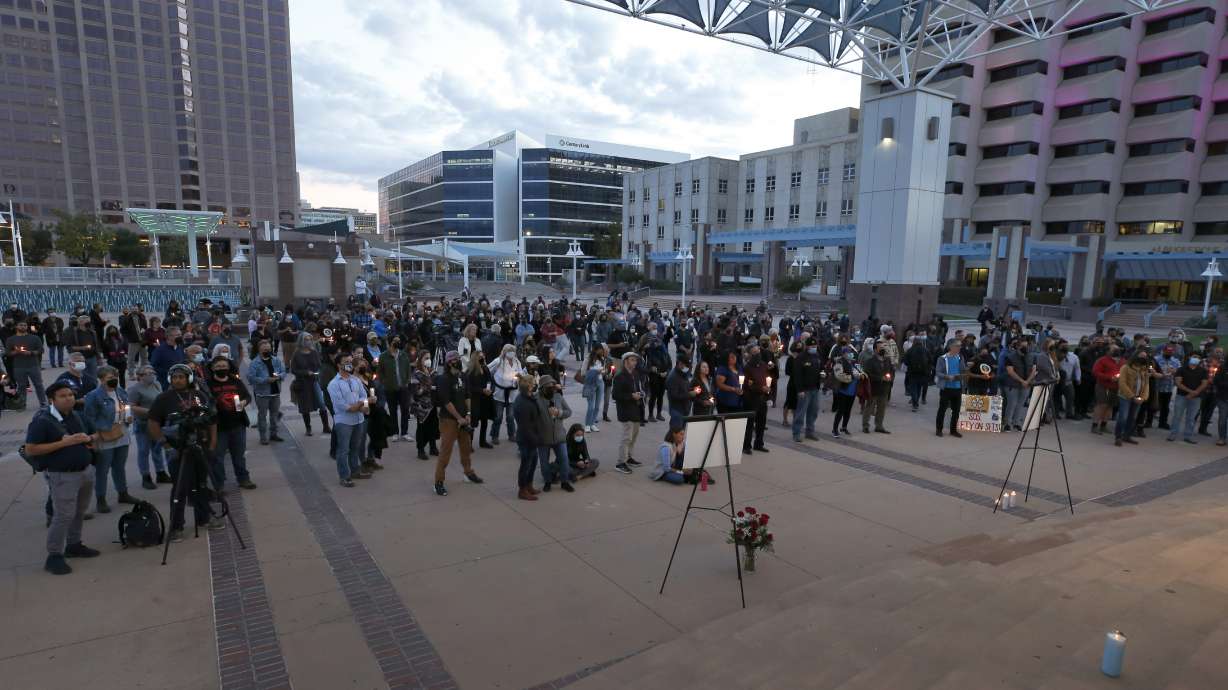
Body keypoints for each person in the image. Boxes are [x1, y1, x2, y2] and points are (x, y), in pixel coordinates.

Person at [25, 382, 103, 575]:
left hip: (85, 471)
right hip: (63, 475)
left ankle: (74, 545)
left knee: (79, 511)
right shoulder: (43, 420)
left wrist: (89, 439)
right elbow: (31, 449)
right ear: (52, 399)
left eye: (70, 394)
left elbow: (96, 433)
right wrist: (63, 443)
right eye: (63, 395)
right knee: (63, 515)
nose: (68, 398)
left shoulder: (76, 415)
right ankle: (54, 556)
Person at [147, 364, 222, 542]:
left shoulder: (199, 395)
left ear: (188, 378)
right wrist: (164, 443)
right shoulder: (164, 398)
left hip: (200, 446)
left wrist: (212, 442)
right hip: (178, 449)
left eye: (181, 377)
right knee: (180, 488)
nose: (178, 380)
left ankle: (204, 518)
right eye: (174, 377)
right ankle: (176, 526)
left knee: (201, 485)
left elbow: (211, 419)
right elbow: (153, 423)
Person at [82, 365, 135, 514]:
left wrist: (129, 417)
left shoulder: (121, 391)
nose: (114, 380)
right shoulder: (94, 396)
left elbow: (127, 406)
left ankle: (123, 493)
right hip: (104, 435)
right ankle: (101, 499)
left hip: (122, 431)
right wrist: (99, 430)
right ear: (101, 379)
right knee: (102, 469)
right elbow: (89, 417)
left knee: (119, 465)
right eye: (110, 378)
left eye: (115, 377)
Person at [432, 350, 484, 496]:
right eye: (455, 359)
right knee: (445, 452)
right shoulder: (444, 379)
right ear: (449, 363)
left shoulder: (463, 376)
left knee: (466, 448)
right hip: (449, 420)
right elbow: (446, 402)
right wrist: (458, 418)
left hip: (463, 419)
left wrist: (467, 414)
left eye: (458, 359)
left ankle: (468, 472)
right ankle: (438, 482)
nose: (458, 361)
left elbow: (467, 395)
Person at [205, 356, 255, 490]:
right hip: (219, 426)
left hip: (237, 423)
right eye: (218, 366)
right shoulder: (208, 384)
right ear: (212, 368)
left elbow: (247, 396)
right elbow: (204, 402)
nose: (222, 368)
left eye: (224, 366)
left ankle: (243, 479)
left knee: (239, 455)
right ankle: (219, 484)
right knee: (217, 457)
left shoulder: (235, 380)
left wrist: (244, 402)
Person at [327, 354, 374, 487]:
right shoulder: (334, 384)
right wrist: (364, 403)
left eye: (350, 362)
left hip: (358, 419)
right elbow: (347, 408)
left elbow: (363, 396)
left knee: (355, 447)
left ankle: (355, 470)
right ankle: (344, 476)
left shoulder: (355, 380)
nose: (349, 364)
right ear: (338, 365)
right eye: (346, 362)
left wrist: (365, 407)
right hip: (344, 422)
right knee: (343, 450)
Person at [128, 364, 169, 490]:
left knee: (157, 449)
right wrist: (149, 411)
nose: (152, 375)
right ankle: (146, 476)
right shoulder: (135, 389)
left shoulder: (156, 384)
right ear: (140, 376)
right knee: (144, 450)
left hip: (157, 422)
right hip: (143, 423)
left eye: (153, 373)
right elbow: (132, 406)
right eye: (148, 373)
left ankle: (160, 472)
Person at [535, 374, 574, 492]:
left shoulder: (558, 397)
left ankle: (565, 481)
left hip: (559, 436)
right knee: (544, 462)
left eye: (553, 386)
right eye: (548, 387)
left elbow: (569, 412)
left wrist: (559, 413)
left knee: (564, 459)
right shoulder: (536, 399)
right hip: (543, 437)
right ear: (542, 388)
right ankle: (547, 481)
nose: (551, 389)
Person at [612, 351, 646, 475]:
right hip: (626, 410)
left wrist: (640, 394)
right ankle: (621, 462)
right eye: (632, 360)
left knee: (634, 436)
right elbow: (615, 395)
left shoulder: (635, 374)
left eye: (635, 360)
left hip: (636, 409)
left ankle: (629, 457)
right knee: (627, 437)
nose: (635, 362)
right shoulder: (620, 376)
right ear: (625, 361)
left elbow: (639, 388)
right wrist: (631, 396)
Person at [246, 339, 286, 444]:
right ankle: (263, 437)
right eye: (264, 349)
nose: (267, 350)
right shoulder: (255, 363)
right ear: (259, 350)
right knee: (262, 416)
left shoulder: (276, 360)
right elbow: (251, 378)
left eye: (268, 348)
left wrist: (277, 377)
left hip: (275, 392)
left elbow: (283, 372)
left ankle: (274, 434)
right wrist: (265, 380)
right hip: (263, 393)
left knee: (274, 415)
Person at [378, 335, 414, 442]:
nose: (398, 343)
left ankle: (404, 433)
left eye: (399, 341)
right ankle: (395, 432)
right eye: (395, 341)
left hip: (403, 387)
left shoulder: (403, 354)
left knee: (405, 410)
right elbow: (380, 372)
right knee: (393, 410)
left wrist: (407, 381)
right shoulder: (383, 356)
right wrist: (385, 382)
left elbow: (408, 369)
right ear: (390, 343)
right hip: (390, 388)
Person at [290, 335, 327, 436]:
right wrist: (306, 372)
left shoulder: (314, 352)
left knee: (322, 403)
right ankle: (308, 428)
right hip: (302, 383)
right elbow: (293, 369)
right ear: (301, 341)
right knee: (305, 406)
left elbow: (319, 365)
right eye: (306, 340)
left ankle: (326, 426)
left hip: (315, 381)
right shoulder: (297, 354)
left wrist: (318, 372)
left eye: (310, 339)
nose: (309, 341)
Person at [512, 375, 542, 500]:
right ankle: (522, 490)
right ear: (528, 386)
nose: (535, 384)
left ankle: (529, 485)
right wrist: (535, 440)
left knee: (533, 462)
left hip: (532, 436)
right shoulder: (522, 403)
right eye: (533, 383)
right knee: (526, 464)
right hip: (526, 439)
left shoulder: (528, 398)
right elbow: (525, 426)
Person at [1167, 353, 1207, 444]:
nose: (1196, 359)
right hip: (1181, 396)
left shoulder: (1203, 371)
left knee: (1191, 418)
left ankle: (1188, 436)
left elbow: (1204, 383)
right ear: (1190, 358)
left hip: (1196, 398)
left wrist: (1195, 393)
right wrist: (1190, 392)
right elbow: (1178, 383)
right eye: (1194, 357)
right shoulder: (1181, 369)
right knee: (1177, 416)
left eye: (1198, 357)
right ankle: (1173, 434)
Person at [1114, 348, 1151, 447]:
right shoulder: (1126, 367)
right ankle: (1118, 437)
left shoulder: (1145, 370)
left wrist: (1143, 397)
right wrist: (1132, 396)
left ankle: (1127, 436)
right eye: (1141, 356)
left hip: (1138, 397)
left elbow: (1146, 384)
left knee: (1132, 418)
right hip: (1125, 396)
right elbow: (1122, 383)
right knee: (1123, 417)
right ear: (1136, 356)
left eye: (1145, 356)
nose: (1143, 358)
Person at [7, 319, 47, 408]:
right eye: (21, 325)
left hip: (33, 365)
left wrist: (31, 353)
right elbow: (8, 353)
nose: (23, 327)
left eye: (25, 325)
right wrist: (16, 352)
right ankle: (22, 403)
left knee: (38, 384)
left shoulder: (34, 338)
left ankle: (43, 402)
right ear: (16, 326)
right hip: (18, 366)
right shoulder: (11, 339)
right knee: (21, 386)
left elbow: (41, 350)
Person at [791, 339, 823, 442]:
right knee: (800, 412)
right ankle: (796, 433)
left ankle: (810, 432)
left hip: (815, 388)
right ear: (807, 346)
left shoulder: (816, 356)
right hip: (804, 390)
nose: (814, 348)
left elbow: (820, 368)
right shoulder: (801, 358)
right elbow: (797, 375)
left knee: (813, 412)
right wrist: (800, 390)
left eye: (815, 346)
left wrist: (822, 374)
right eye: (812, 346)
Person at [490, 344, 523, 442]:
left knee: (511, 416)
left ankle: (511, 434)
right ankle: (494, 436)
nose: (511, 352)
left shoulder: (517, 362)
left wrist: (518, 376)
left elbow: (521, 373)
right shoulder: (498, 361)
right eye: (509, 350)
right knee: (498, 417)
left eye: (513, 350)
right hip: (499, 393)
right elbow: (487, 369)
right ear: (504, 351)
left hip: (513, 393)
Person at [741, 344, 770, 453]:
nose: (757, 354)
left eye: (758, 351)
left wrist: (767, 388)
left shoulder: (763, 365)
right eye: (754, 352)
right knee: (749, 423)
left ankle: (759, 443)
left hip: (762, 398)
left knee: (761, 422)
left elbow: (767, 378)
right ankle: (746, 446)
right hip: (751, 399)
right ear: (750, 354)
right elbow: (747, 384)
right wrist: (760, 388)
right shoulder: (747, 367)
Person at [412, 351, 440, 460]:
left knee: (433, 426)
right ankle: (420, 449)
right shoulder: (416, 373)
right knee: (422, 427)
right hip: (421, 406)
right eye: (426, 358)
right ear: (420, 360)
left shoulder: (433, 372)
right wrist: (427, 387)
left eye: (429, 358)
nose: (428, 360)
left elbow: (438, 384)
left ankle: (432, 447)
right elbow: (416, 391)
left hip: (433, 404)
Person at [934, 339, 965, 438]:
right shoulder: (942, 358)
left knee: (956, 410)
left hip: (957, 387)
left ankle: (953, 430)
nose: (959, 348)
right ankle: (939, 429)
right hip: (946, 387)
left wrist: (965, 371)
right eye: (957, 346)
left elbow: (963, 370)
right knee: (942, 409)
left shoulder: (960, 358)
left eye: (960, 346)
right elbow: (938, 372)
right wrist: (947, 377)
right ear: (951, 347)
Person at [466, 350, 496, 448]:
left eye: (483, 356)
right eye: (480, 357)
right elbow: (469, 387)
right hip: (475, 400)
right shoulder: (470, 371)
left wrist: (491, 389)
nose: (482, 358)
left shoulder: (485, 368)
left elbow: (491, 381)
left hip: (485, 399)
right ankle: (469, 444)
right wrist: (482, 390)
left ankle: (482, 441)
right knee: (473, 422)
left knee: (485, 420)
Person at [1092, 346, 1123, 435]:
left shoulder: (1122, 361)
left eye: (1117, 349)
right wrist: (1109, 378)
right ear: (1108, 351)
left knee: (1110, 406)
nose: (1116, 351)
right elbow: (1095, 372)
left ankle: (1103, 425)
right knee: (1102, 404)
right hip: (1103, 386)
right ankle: (1095, 425)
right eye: (1113, 350)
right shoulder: (1102, 360)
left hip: (1115, 387)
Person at [862, 344, 892, 433]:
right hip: (873, 388)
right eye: (880, 348)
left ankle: (879, 426)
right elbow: (868, 374)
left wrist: (890, 377)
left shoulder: (887, 360)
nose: (882, 349)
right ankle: (865, 425)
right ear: (875, 350)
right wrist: (880, 378)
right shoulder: (870, 361)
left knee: (881, 408)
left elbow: (891, 371)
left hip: (884, 388)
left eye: (883, 347)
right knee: (869, 408)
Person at [664, 355, 695, 429]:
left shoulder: (683, 374)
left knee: (680, 434)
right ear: (680, 364)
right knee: (675, 434)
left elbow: (685, 387)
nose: (688, 368)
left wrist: (692, 389)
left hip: (684, 409)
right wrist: (689, 394)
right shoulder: (673, 377)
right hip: (677, 411)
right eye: (687, 366)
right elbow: (674, 395)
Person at [582, 346, 607, 432]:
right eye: (601, 350)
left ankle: (592, 423)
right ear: (596, 350)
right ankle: (587, 424)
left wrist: (605, 373)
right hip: (591, 383)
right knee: (591, 406)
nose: (602, 352)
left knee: (597, 406)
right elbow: (583, 372)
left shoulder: (602, 359)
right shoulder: (588, 359)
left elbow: (603, 371)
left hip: (600, 382)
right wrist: (595, 372)